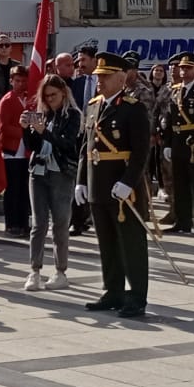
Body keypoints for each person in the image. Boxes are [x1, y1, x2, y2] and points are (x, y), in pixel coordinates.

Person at [78, 51, 151, 318]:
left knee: (130, 243)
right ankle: (113, 291)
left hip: (123, 190)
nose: (100, 80)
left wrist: (128, 182)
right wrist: (81, 181)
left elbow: (142, 152)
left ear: (121, 78)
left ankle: (136, 296)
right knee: (106, 242)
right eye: (98, 75)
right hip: (98, 185)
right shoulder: (93, 104)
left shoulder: (133, 108)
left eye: (106, 76)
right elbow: (85, 147)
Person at [23, 76, 81, 291]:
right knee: (38, 224)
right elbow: (32, 145)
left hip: (61, 172)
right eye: (46, 96)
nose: (49, 100)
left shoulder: (73, 115)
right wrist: (26, 128)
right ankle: (34, 271)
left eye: (53, 95)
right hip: (38, 171)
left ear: (63, 93)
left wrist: (43, 131)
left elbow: (67, 144)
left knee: (60, 224)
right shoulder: (43, 113)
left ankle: (60, 271)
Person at [159, 52, 194, 237]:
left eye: (188, 68)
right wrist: (167, 143)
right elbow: (169, 118)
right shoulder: (174, 90)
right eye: (182, 68)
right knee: (180, 185)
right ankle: (182, 221)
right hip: (177, 142)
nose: (183, 71)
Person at [0, 64, 35, 239]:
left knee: (24, 189)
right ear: (11, 81)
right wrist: (24, 131)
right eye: (17, 80)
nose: (21, 84)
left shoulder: (30, 100)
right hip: (11, 151)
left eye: (23, 81)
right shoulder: (7, 100)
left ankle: (23, 222)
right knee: (12, 189)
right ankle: (12, 223)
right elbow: (3, 127)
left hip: (26, 152)